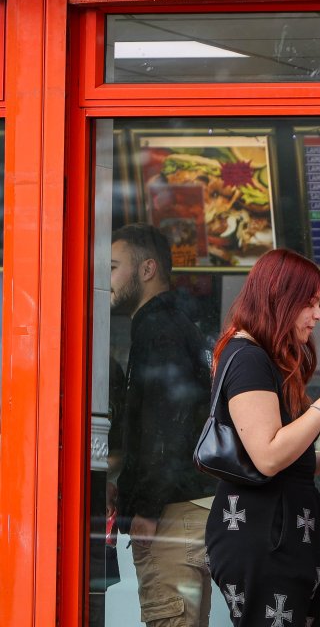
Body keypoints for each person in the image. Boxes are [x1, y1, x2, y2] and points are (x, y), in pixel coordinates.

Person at [204, 248, 320, 627]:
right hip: (263, 538)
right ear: (279, 299)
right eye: (309, 304)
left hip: (283, 535)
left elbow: (283, 466)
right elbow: (268, 457)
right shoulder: (247, 358)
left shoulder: (262, 358)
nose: (318, 315)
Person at [109, 223, 217, 627]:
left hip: (172, 513)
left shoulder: (157, 328)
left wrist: (147, 506)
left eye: (115, 266)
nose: (108, 278)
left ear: (147, 268)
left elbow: (166, 423)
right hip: (194, 504)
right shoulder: (183, 321)